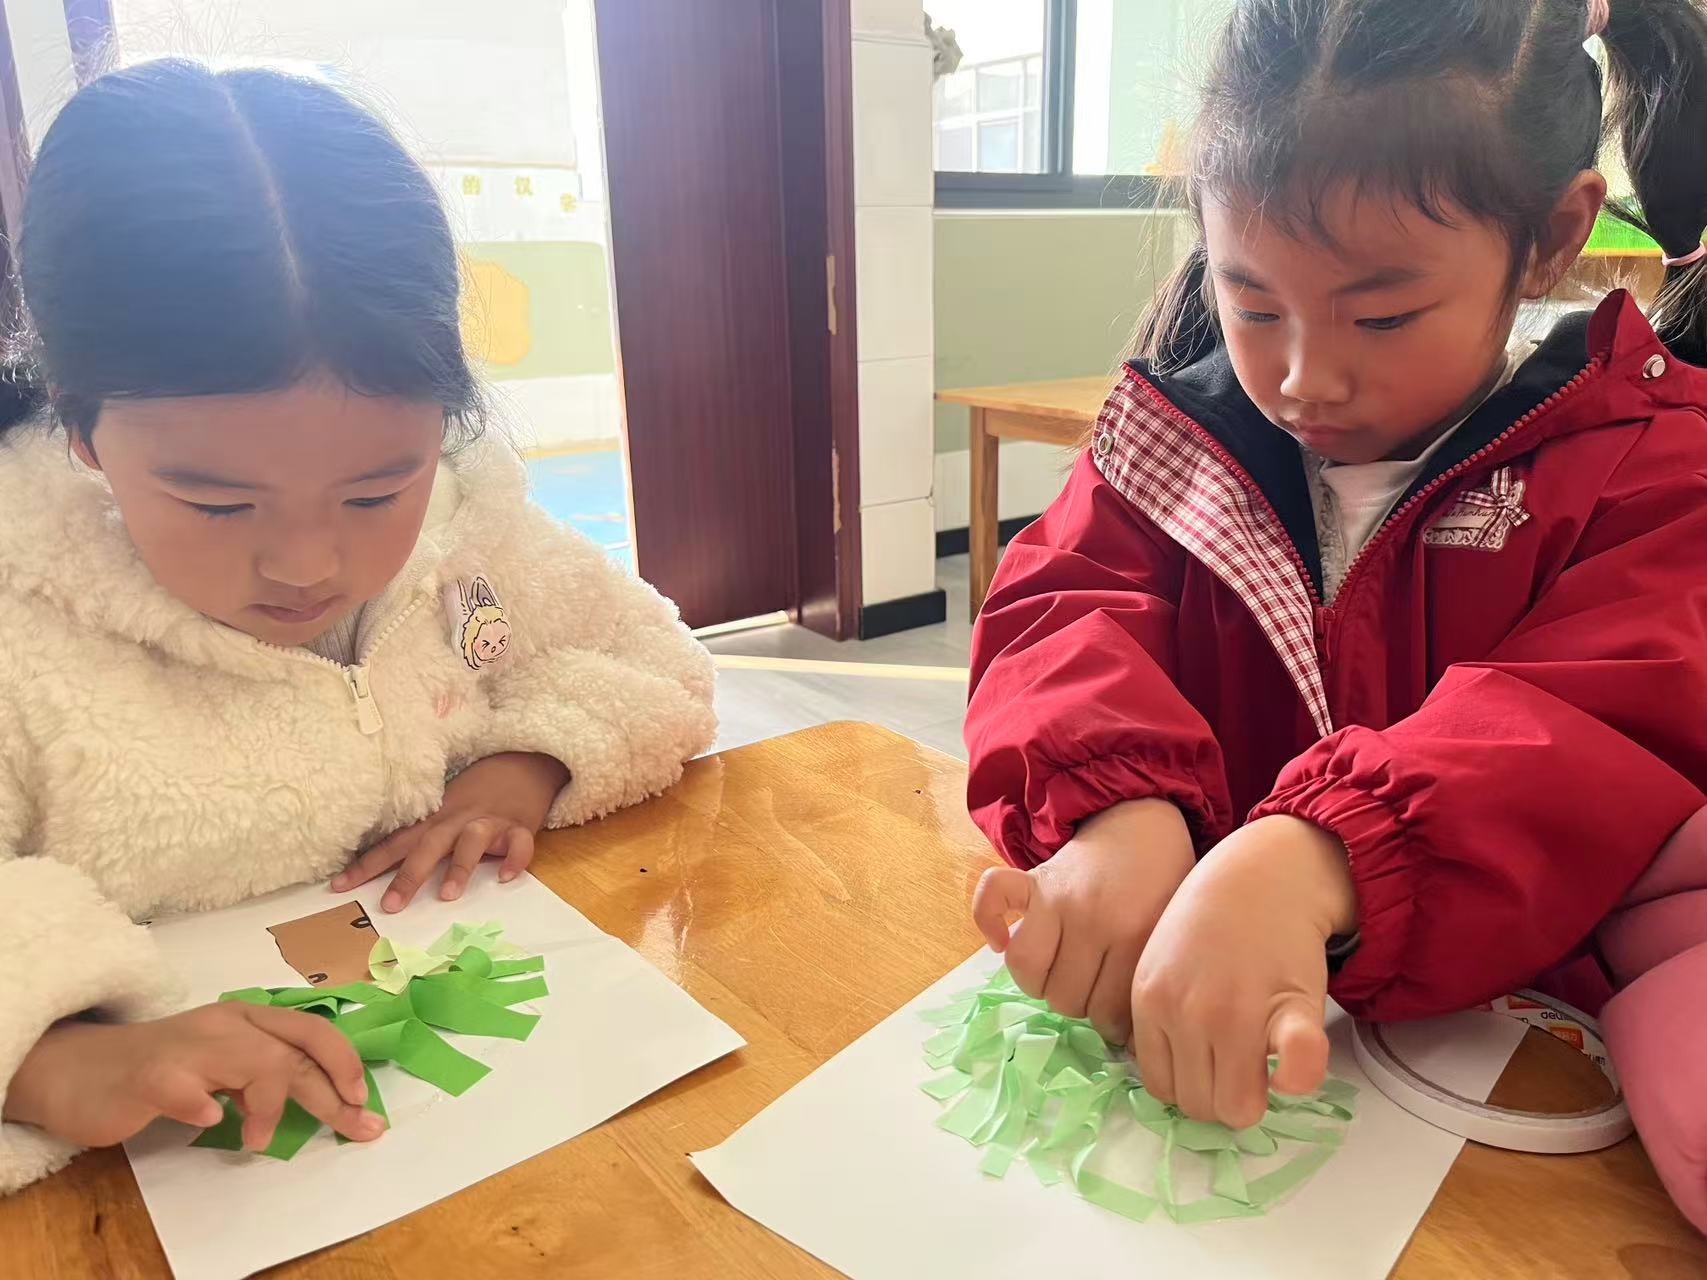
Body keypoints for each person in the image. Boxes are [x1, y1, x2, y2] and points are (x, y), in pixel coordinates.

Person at [965, 0, 1707, 1225]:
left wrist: (1325, 854)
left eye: (1380, 316)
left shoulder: (1650, 468)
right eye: (1253, 304)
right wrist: (1114, 803)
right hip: (1260, 1063)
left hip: (1529, 1067)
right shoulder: (1173, 445)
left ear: (1551, 238)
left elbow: (1592, 717)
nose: (1306, 374)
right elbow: (1061, 605)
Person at [0, 59, 716, 1191]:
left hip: (517, 1153)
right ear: (83, 430)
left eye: (378, 487)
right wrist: (57, 1055)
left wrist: (529, 760)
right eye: (218, 502)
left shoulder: (470, 531)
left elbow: (647, 659)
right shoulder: (20, 626)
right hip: (164, 1188)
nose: (308, 564)